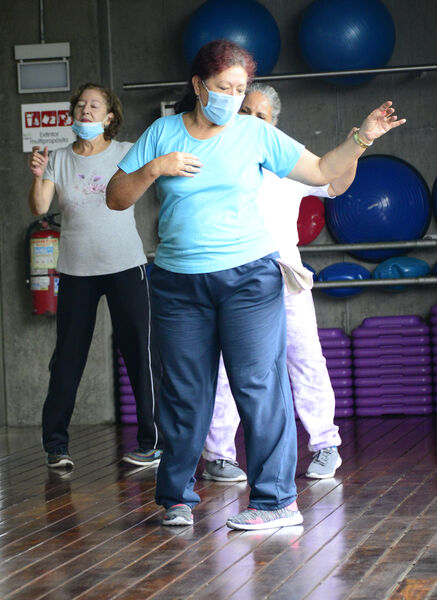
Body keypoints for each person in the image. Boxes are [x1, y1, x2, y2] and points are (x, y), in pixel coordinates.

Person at [106, 40, 405, 530]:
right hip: (179, 284)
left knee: (258, 385)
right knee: (185, 392)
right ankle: (176, 497)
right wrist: (154, 168)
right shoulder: (161, 133)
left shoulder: (254, 133)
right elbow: (117, 199)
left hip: (248, 278)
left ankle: (275, 502)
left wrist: (363, 137)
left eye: (240, 88)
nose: (231, 96)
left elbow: (323, 172)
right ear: (199, 86)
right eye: (224, 87)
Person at [202, 83, 358, 484]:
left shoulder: (289, 160)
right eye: (246, 113)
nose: (253, 121)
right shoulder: (218, 156)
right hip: (231, 275)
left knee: (305, 358)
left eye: (262, 115)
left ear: (274, 123)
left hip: (284, 274)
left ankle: (325, 446)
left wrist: (358, 144)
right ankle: (219, 454)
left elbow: (336, 184)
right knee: (224, 366)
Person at [28, 83, 164, 469]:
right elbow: (39, 205)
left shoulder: (127, 153)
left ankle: (152, 442)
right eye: (80, 105)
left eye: (94, 106)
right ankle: (56, 446)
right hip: (76, 271)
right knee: (68, 358)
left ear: (109, 117)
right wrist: (38, 175)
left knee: (141, 354)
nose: (85, 110)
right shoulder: (58, 158)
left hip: (126, 266)